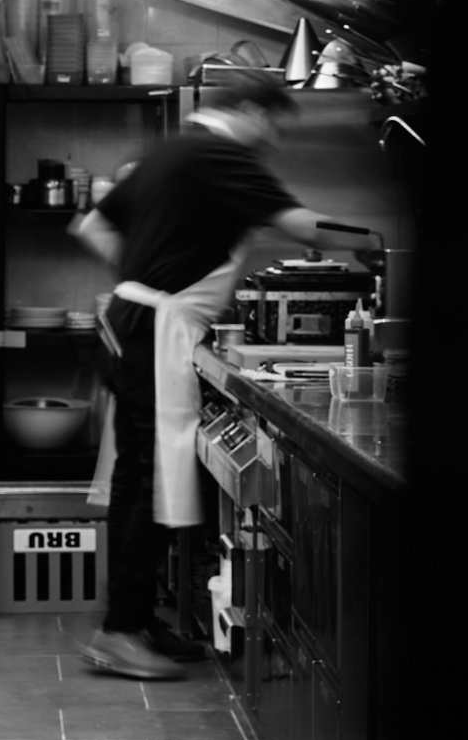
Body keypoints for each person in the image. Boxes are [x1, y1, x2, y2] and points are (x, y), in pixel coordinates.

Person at [70, 70, 382, 680]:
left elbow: (91, 226)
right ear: (248, 111)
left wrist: (145, 276)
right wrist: (373, 238)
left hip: (132, 322)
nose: (270, 138)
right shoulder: (219, 153)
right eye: (270, 124)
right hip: (154, 329)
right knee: (148, 481)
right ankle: (120, 632)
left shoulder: (171, 152)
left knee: (138, 479)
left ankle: (134, 621)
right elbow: (299, 225)